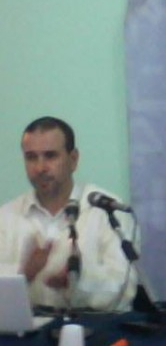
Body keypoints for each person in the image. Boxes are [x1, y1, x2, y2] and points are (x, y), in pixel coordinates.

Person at [0, 116, 137, 312]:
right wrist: (24, 274)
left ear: (73, 160)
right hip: (25, 327)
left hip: (93, 325)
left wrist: (77, 282)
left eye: (50, 156)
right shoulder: (6, 217)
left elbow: (124, 290)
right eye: (31, 157)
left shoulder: (106, 210)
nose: (40, 168)